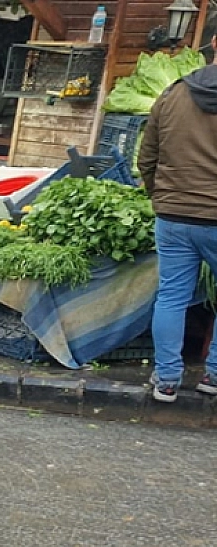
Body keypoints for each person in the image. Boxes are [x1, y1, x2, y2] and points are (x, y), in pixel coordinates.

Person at [137, 39, 217, 403]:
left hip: (173, 215)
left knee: (171, 296)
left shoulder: (173, 93)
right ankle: (213, 376)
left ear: (213, 44)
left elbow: (147, 157)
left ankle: (167, 379)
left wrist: (162, 196)